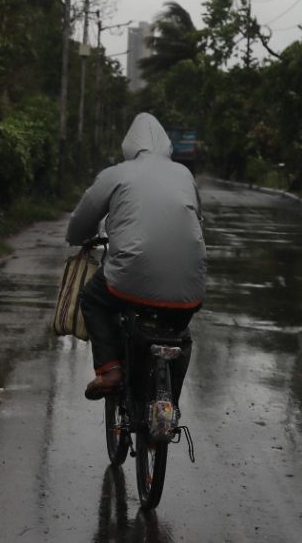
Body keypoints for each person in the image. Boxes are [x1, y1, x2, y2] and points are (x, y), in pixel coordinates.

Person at [66, 112, 206, 401]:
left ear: (130, 145)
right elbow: (198, 221)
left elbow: (83, 218)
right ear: (166, 146)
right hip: (189, 288)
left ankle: (109, 370)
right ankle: (168, 403)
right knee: (182, 335)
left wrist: (79, 238)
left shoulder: (117, 173)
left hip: (127, 278)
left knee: (93, 299)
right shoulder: (184, 174)